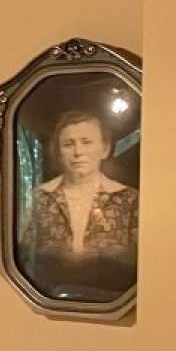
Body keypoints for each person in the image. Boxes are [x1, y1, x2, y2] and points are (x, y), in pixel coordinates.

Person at [21, 109, 138, 281]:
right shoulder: (39, 198)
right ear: (59, 153)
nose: (78, 152)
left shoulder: (129, 200)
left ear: (105, 149)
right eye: (68, 144)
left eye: (86, 142)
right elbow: (25, 257)